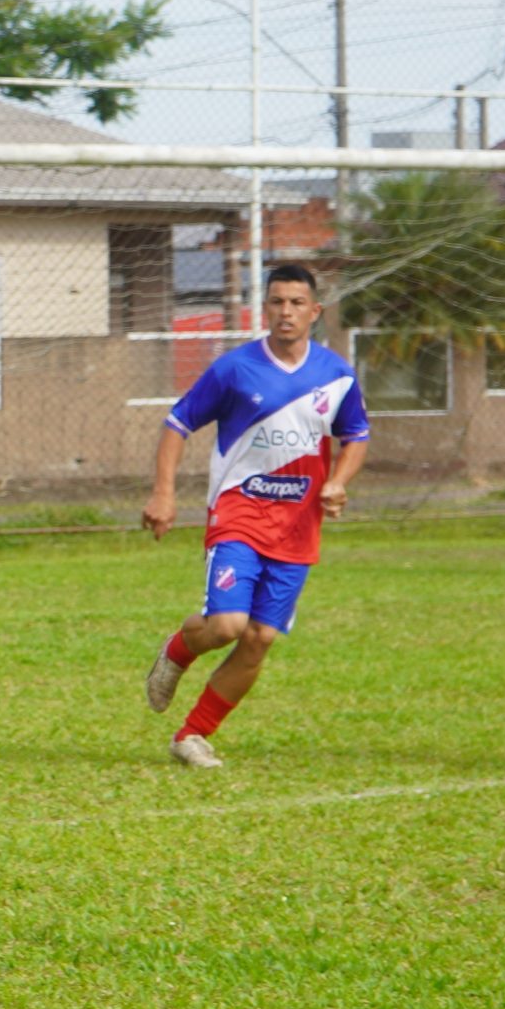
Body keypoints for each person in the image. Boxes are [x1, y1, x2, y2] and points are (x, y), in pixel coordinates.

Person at [140, 263, 372, 769]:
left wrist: (337, 483)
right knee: (226, 624)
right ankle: (178, 652)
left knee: (260, 638)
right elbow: (177, 423)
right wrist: (163, 494)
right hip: (239, 513)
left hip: (297, 526)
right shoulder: (235, 369)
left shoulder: (336, 374)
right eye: (276, 302)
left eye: (295, 303)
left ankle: (192, 735)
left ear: (315, 311)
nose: (285, 312)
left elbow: (356, 435)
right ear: (264, 308)